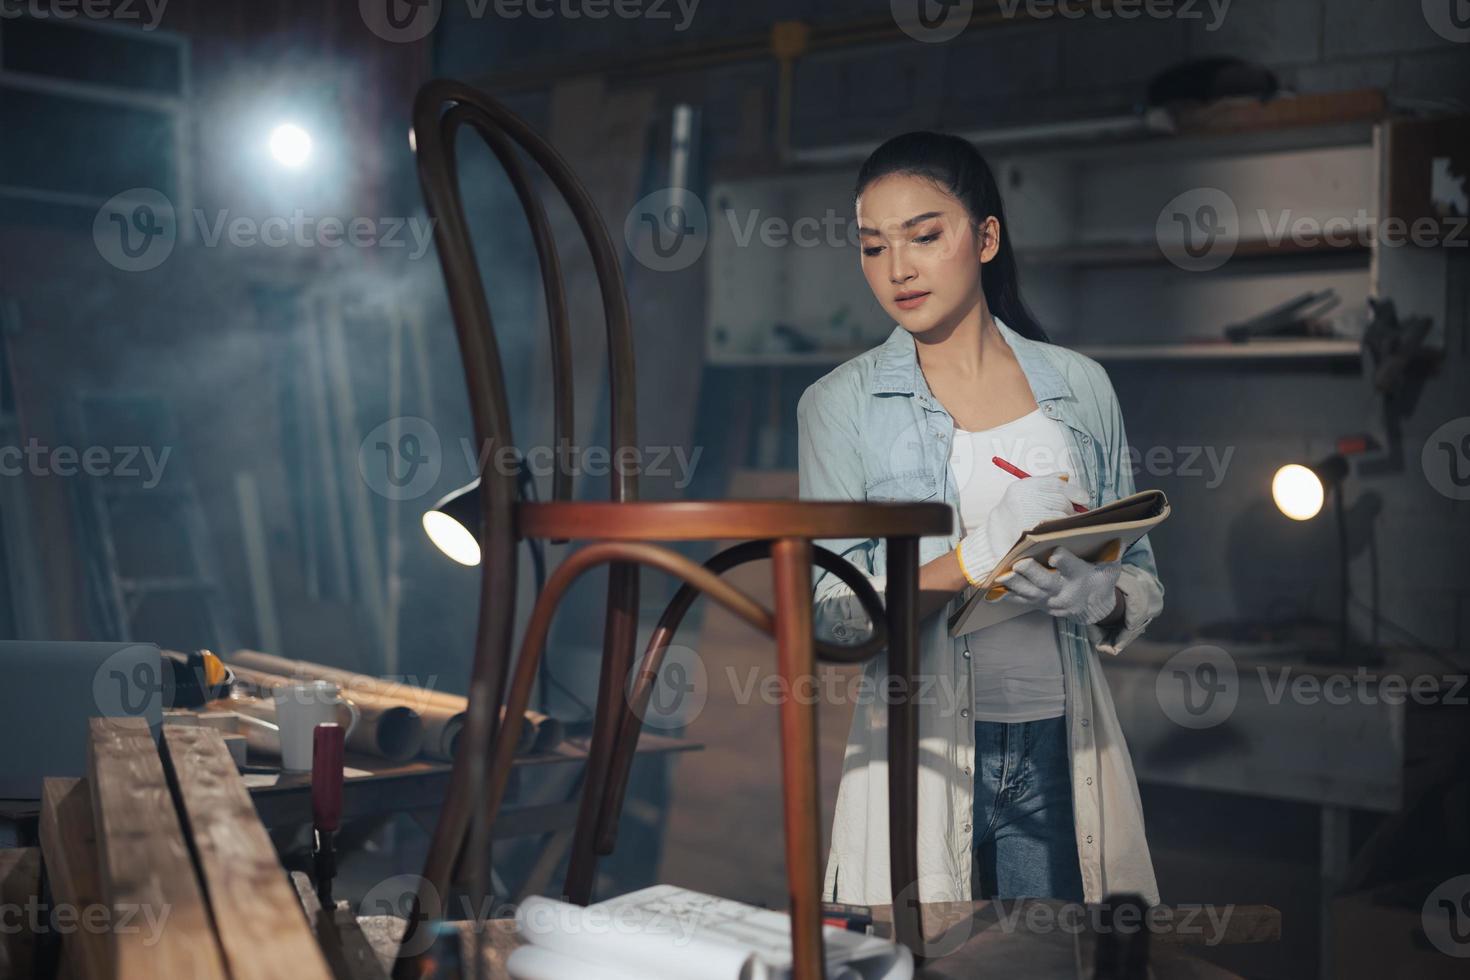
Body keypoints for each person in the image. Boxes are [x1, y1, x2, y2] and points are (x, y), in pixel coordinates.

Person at [797, 131, 1164, 908]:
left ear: (986, 237)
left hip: (1063, 749)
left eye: (925, 237)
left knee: (1058, 967)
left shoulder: (1081, 387)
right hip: (921, 757)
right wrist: (976, 557)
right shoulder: (840, 405)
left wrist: (1100, 596)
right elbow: (833, 620)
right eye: (872, 247)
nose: (897, 269)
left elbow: (1142, 577)